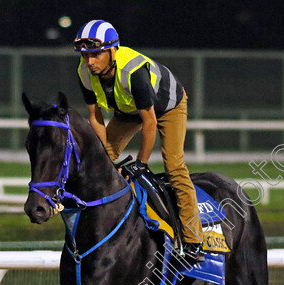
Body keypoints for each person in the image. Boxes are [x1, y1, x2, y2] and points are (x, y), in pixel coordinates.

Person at [74, 19, 204, 263]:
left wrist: (141, 164)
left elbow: (150, 123)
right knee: (98, 162)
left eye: (96, 55)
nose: (90, 62)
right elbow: (95, 118)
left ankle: (194, 239)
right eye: (85, 55)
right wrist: (104, 154)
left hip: (167, 108)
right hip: (129, 110)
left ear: (113, 50)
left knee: (174, 166)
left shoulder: (133, 72)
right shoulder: (84, 71)